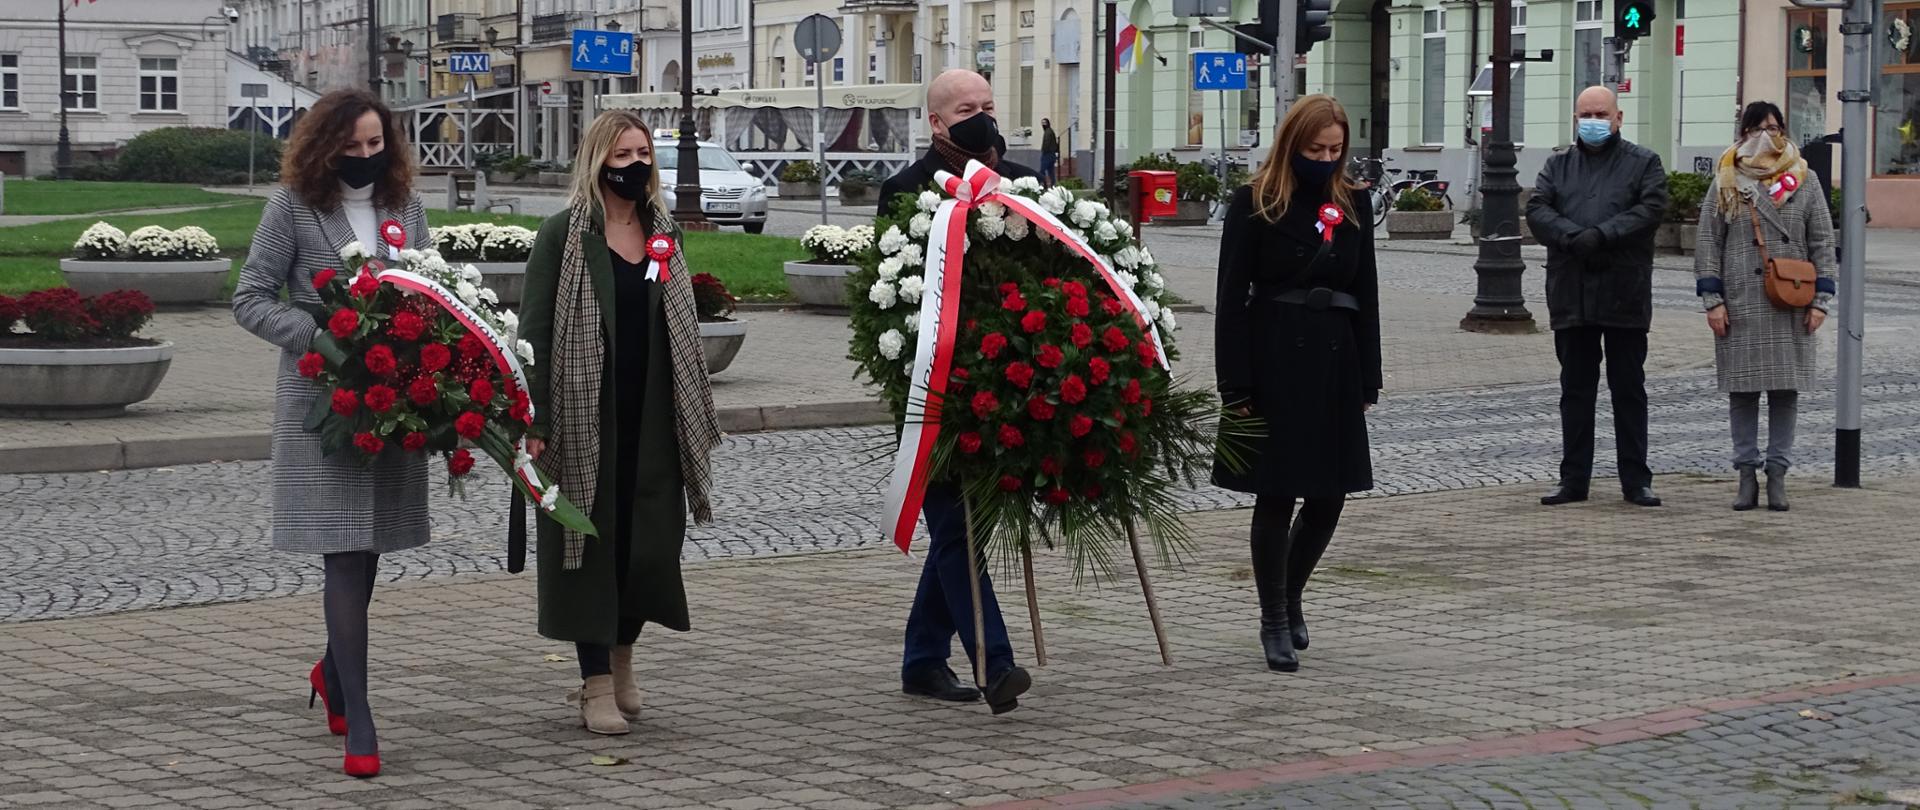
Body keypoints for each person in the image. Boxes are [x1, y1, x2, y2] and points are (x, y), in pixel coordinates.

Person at [231, 88, 429, 779]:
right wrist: (319, 334)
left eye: (377, 145)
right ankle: (362, 718)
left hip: (393, 398)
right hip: (323, 400)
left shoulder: (405, 205)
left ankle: (333, 676)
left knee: (369, 546)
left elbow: (429, 288)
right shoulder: (290, 207)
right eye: (353, 147)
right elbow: (250, 298)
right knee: (344, 553)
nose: (366, 158)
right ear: (324, 147)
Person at [518, 110, 722, 736]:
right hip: (585, 417)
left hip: (655, 415)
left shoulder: (667, 235)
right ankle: (595, 684)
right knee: (589, 547)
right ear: (598, 162)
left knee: (646, 545)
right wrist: (536, 417)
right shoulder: (563, 236)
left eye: (644, 154)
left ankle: (625, 659)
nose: (636, 165)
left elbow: (680, 324)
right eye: (623, 155)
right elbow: (534, 335)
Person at [879, 69, 1036, 714]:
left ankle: (921, 660)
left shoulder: (1027, 182)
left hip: (1009, 386)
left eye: (990, 107)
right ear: (937, 123)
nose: (983, 118)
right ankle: (994, 662)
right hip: (934, 389)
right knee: (955, 524)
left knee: (957, 531)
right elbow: (890, 293)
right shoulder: (905, 191)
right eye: (967, 109)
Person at [1212, 94, 1381, 673]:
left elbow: (1369, 294)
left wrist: (1370, 376)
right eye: (1316, 149)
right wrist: (1234, 385)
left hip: (1336, 360)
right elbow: (1231, 300)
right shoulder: (1254, 201)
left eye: (1335, 150)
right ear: (1292, 145)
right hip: (1274, 357)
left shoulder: (1354, 203)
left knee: (1330, 497)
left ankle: (1292, 591)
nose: (1326, 158)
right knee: (1277, 494)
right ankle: (1273, 619)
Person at [1526, 86, 1670, 508]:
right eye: (1586, 113)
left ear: (1618, 117)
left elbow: (1650, 209)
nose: (1593, 120)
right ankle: (1574, 480)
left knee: (1628, 389)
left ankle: (1636, 479)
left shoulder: (1644, 162)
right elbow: (1538, 210)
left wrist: (1603, 235)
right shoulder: (1558, 165)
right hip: (1572, 292)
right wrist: (1573, 236)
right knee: (1575, 390)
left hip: (1623, 291)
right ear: (1575, 118)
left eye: (1601, 113)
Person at [1694, 101, 1836, 512]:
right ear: (1742, 133)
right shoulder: (1727, 178)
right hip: (1740, 302)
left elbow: (1823, 242)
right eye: (1757, 128)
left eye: (1774, 128)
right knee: (1742, 393)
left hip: (1791, 298)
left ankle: (1777, 474)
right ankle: (1745, 475)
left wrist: (1822, 300)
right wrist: (1712, 300)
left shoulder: (1803, 179)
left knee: (1784, 392)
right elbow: (1708, 242)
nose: (1767, 136)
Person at [1040, 118, 1060, 185]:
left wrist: (1044, 151)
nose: (1043, 124)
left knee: (1042, 170)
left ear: (1048, 123)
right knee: (1051, 171)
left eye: (1044, 123)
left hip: (1047, 154)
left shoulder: (1047, 132)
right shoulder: (1050, 131)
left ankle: (1044, 183)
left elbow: (1046, 143)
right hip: (1052, 154)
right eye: (1042, 123)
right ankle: (1053, 184)